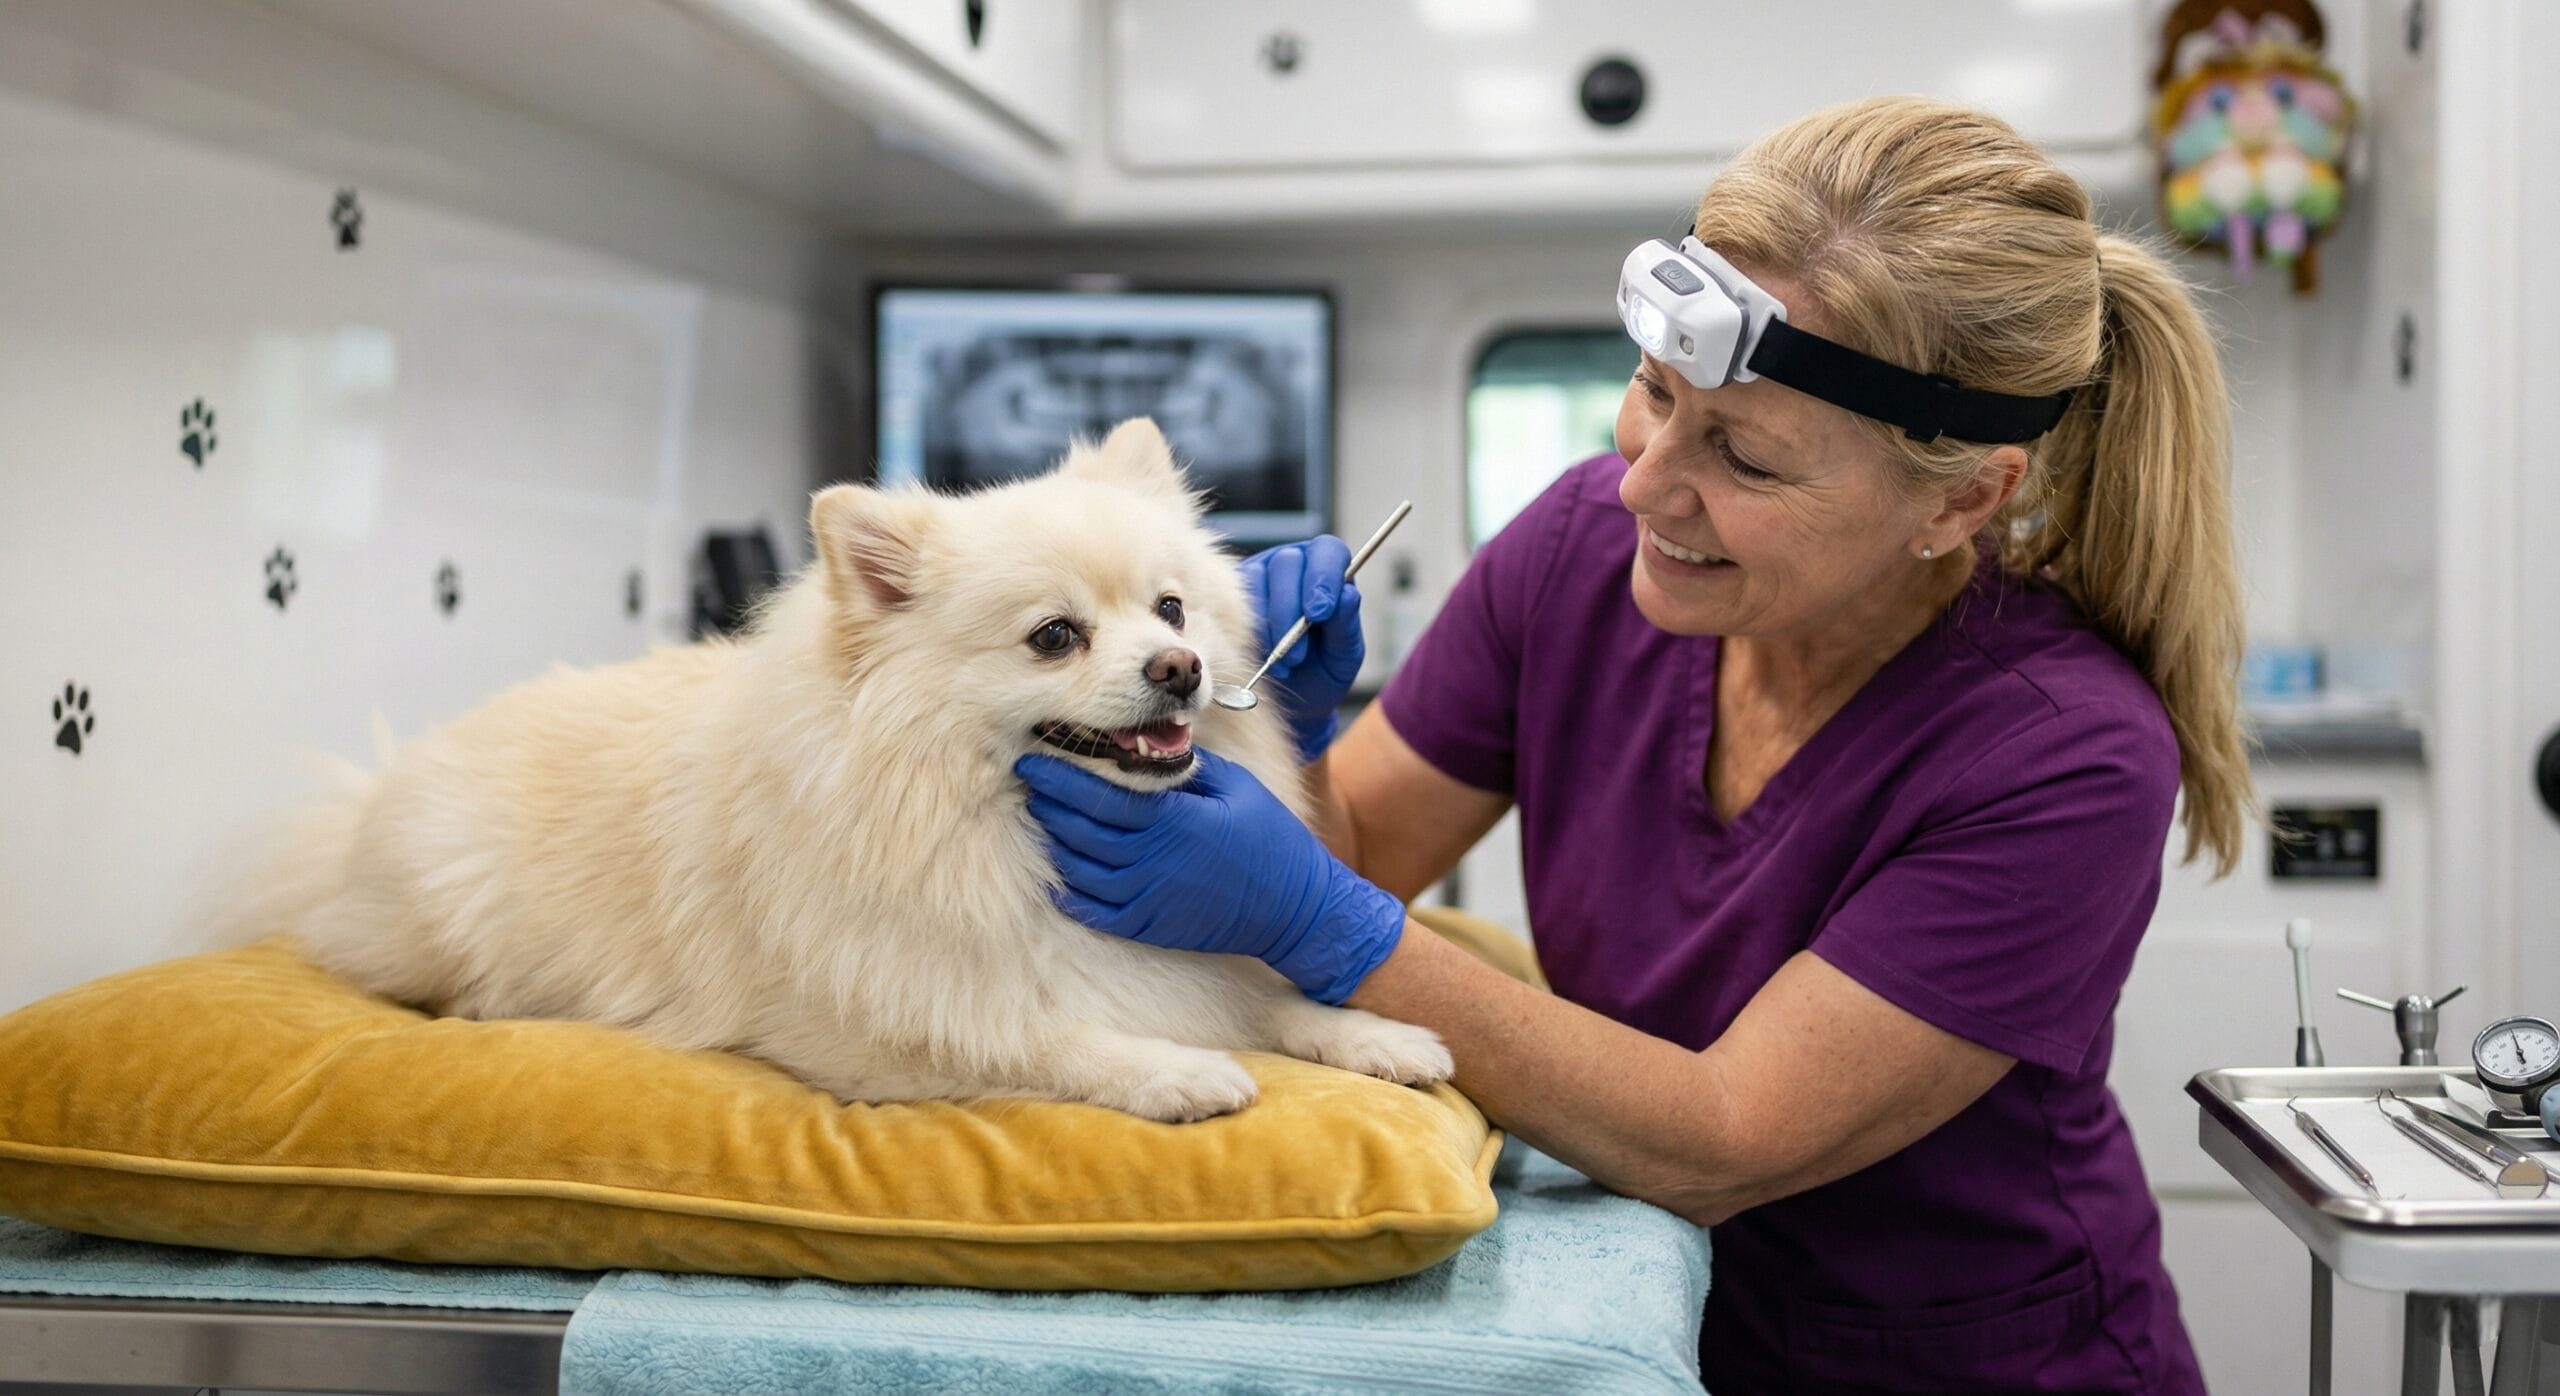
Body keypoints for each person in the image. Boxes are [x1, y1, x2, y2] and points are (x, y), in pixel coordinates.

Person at [1016, 95, 2248, 1394]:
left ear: (1961, 498)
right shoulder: (1576, 551)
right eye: (1653, 394)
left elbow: (1724, 1139)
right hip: (1654, 1333)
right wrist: (1273, 734)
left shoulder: (2064, 752)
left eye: (1749, 461)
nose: (1649, 482)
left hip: (1960, 1361)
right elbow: (1356, 849)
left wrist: (1326, 921)